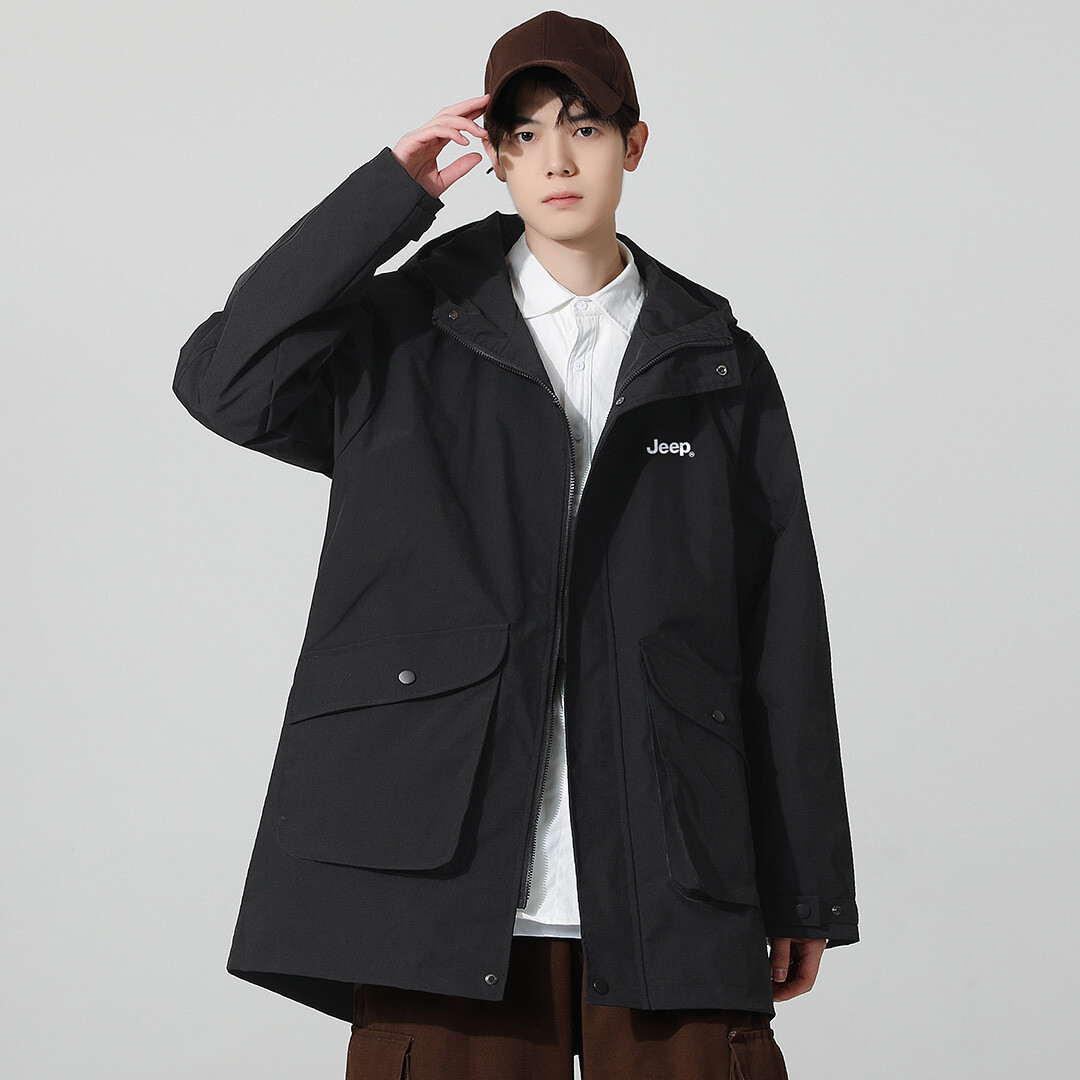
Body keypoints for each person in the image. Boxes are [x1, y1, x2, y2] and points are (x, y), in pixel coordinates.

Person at [173, 11, 858, 1079]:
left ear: (634, 144)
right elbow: (226, 381)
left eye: (583, 127)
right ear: (492, 157)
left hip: (674, 876)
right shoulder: (405, 339)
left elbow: (783, 632)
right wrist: (388, 197)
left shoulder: (717, 359)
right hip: (435, 882)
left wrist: (803, 885)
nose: (556, 160)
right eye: (524, 134)